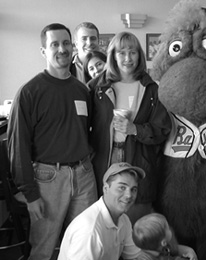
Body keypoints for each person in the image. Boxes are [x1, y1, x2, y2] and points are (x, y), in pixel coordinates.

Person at [7, 23, 98, 259]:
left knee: (84, 245)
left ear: (73, 47)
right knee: (43, 248)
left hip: (84, 177)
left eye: (66, 43)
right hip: (48, 181)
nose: (62, 49)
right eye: (54, 44)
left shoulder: (82, 90)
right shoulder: (29, 92)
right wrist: (30, 195)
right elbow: (18, 147)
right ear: (44, 51)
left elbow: (87, 133)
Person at [88, 31, 172, 224]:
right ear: (113, 56)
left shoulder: (152, 89)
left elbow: (162, 129)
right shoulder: (96, 88)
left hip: (139, 159)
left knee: (137, 218)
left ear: (139, 55)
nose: (127, 58)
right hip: (105, 159)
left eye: (132, 52)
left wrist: (135, 129)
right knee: (107, 219)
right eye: (122, 52)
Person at [58, 162, 145, 260]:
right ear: (105, 189)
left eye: (133, 189)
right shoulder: (89, 231)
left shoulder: (124, 220)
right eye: (122, 188)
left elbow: (136, 256)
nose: (129, 195)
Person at [133, 213, 198, 260]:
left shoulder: (161, 246)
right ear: (163, 242)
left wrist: (189, 251)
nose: (170, 227)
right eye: (167, 228)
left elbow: (174, 250)